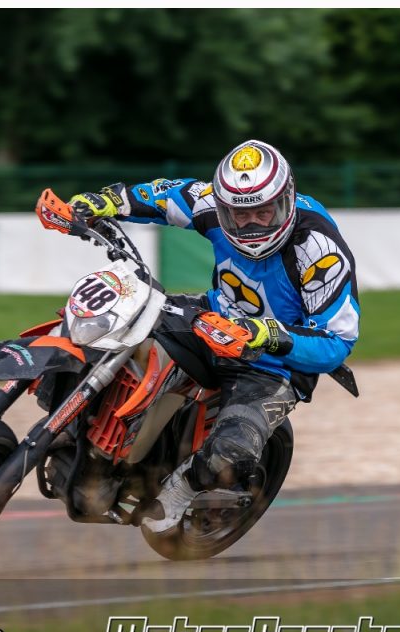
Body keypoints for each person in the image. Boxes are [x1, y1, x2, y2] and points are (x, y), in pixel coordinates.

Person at [68, 139, 360, 534]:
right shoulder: (212, 202)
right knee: (114, 325)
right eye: (239, 214)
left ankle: (180, 490)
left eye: (263, 212)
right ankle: (100, 444)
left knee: (231, 454)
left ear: (286, 200)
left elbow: (337, 342)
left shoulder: (319, 250)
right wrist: (108, 201)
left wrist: (266, 334)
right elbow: (166, 195)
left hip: (274, 363)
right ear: (222, 206)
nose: (252, 224)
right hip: (212, 318)